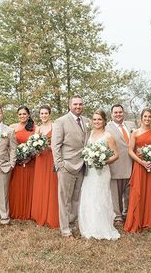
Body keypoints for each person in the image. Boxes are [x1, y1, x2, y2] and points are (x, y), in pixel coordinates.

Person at [51, 95, 90, 237]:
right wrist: (59, 165)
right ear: (70, 105)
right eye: (75, 104)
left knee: (76, 198)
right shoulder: (60, 121)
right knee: (64, 199)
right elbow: (55, 145)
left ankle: (72, 224)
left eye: (80, 104)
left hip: (81, 166)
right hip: (66, 166)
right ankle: (65, 228)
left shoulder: (87, 121)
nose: (78, 106)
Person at [78, 109, 120, 240]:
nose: (97, 122)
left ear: (104, 121)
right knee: (89, 195)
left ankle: (102, 227)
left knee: (101, 196)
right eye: (95, 119)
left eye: (99, 119)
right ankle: (89, 226)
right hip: (90, 171)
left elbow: (116, 155)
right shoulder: (88, 134)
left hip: (102, 172)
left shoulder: (108, 136)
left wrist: (103, 161)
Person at [124, 108, 151, 233]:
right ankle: (137, 220)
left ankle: (150, 220)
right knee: (137, 192)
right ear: (141, 117)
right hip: (139, 166)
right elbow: (130, 150)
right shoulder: (135, 133)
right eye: (145, 116)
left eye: (149, 117)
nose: (147, 119)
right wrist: (141, 162)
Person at [105, 104, 134, 224]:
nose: (118, 114)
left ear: (124, 113)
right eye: (115, 112)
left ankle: (127, 214)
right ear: (111, 114)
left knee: (129, 192)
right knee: (115, 193)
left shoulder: (131, 125)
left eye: (120, 112)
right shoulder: (107, 128)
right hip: (116, 165)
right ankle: (117, 216)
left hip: (131, 163)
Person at [31, 105, 59, 228]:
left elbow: (58, 144)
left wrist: (49, 146)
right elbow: (33, 146)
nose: (43, 115)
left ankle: (51, 215)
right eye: (41, 113)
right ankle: (40, 214)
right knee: (41, 184)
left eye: (46, 113)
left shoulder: (55, 127)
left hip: (51, 157)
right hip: (41, 159)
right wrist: (37, 149)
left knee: (52, 184)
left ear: (50, 114)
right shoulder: (38, 129)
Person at [9, 106, 36, 220]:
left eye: (24, 114)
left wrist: (30, 156)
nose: (22, 116)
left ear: (28, 115)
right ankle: (16, 210)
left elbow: (37, 145)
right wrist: (18, 157)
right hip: (17, 162)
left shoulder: (35, 128)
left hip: (31, 162)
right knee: (16, 186)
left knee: (29, 186)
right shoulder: (12, 127)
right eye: (20, 114)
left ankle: (28, 211)